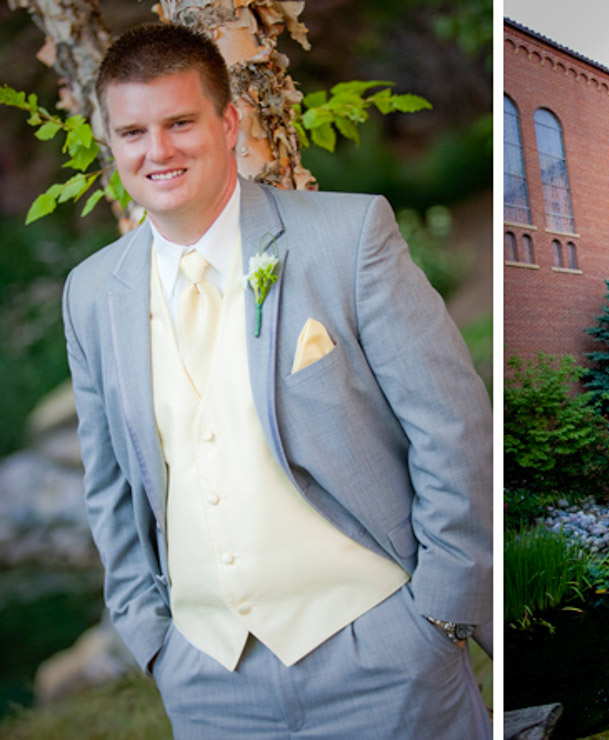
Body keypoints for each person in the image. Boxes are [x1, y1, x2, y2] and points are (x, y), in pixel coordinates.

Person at [61, 24, 492, 737]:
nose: (157, 151)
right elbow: (109, 485)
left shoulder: (347, 238)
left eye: (179, 123)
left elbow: (452, 424)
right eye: (133, 131)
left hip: (382, 658)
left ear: (228, 123)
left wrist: (439, 613)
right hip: (209, 683)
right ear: (111, 142)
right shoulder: (90, 293)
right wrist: (154, 643)